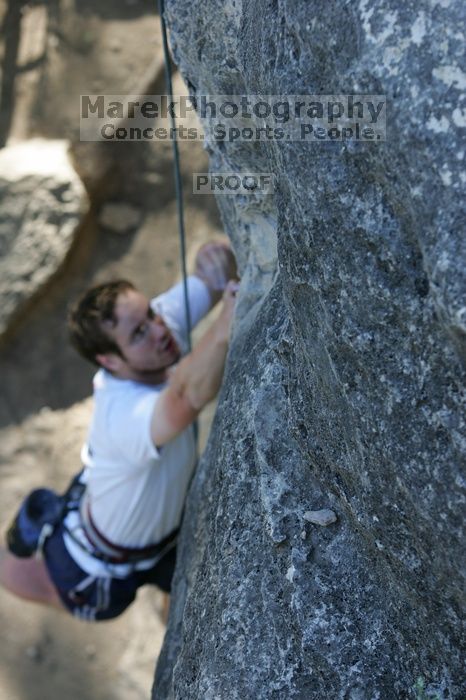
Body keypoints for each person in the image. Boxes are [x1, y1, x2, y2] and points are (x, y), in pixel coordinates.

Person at [0, 240, 238, 621]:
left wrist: (217, 261)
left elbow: (210, 279)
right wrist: (228, 321)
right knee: (13, 574)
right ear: (109, 360)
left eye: (151, 315)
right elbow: (185, 398)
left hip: (164, 536)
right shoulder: (121, 412)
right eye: (139, 333)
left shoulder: (156, 333)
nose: (158, 330)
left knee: (182, 596)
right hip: (92, 567)